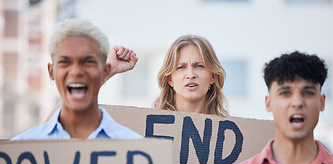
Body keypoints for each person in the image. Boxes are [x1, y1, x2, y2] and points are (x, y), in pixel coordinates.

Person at [12, 18, 141, 140]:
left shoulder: (134, 146)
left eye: (88, 61)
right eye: (65, 62)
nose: (76, 71)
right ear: (51, 72)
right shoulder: (21, 149)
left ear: (105, 71)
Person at [237, 51, 333, 164]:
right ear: (268, 103)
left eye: (308, 93)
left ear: (322, 102)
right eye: (285, 93)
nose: (297, 102)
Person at [108, 35, 228, 116]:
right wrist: (108, 70)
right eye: (181, 67)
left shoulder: (232, 135)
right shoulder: (145, 127)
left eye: (199, 66)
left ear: (213, 77)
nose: (190, 75)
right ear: (170, 79)